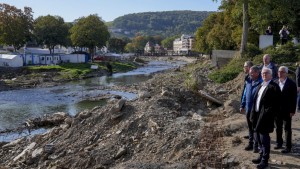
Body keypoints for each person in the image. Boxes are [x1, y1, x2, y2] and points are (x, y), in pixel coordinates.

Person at [250, 68, 281, 169]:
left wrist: (267, 114)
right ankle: (261, 155)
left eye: (266, 73)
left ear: (271, 75)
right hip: (257, 115)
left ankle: (265, 160)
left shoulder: (274, 87)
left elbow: (276, 104)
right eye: (263, 73)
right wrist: (252, 114)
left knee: (264, 139)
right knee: (257, 137)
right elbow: (256, 101)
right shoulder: (261, 85)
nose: (264, 74)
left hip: (266, 117)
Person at [274, 66, 297, 153]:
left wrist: (292, 110)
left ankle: (288, 146)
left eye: (282, 72)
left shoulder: (291, 84)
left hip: (287, 110)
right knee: (278, 127)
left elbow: (293, 98)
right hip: (277, 110)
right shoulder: (275, 82)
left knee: (287, 128)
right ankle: (279, 143)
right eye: (279, 71)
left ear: (286, 73)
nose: (280, 73)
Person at [240, 66, 262, 153]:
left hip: (256, 110)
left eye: (252, 73)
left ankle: (256, 146)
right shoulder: (248, 81)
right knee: (250, 127)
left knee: (256, 128)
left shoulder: (261, 82)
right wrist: (242, 105)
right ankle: (250, 143)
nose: (250, 74)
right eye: (250, 72)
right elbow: (245, 94)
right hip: (248, 108)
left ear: (257, 73)